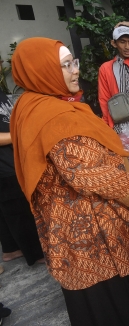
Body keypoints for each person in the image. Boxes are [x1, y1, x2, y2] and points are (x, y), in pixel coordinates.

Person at [10, 37, 129, 326]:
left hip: (73, 220)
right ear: (41, 70)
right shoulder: (53, 116)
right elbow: (88, 176)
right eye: (65, 65)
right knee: (110, 285)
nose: (75, 70)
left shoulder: (32, 103)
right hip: (89, 225)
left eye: (73, 62)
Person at [0, 90, 44, 266]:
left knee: (6, 211)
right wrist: (18, 136)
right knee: (19, 209)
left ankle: (11, 249)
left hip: (12, 158)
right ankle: (37, 253)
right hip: (5, 166)